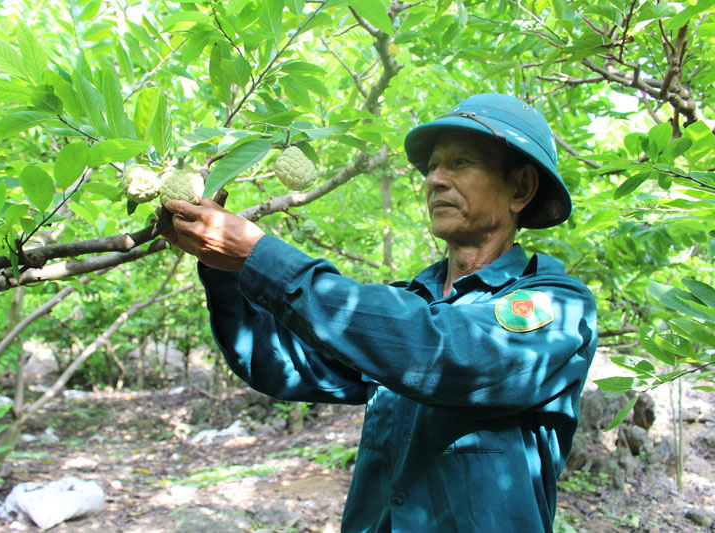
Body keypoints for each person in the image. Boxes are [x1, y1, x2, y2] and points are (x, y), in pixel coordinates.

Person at [161, 93, 597, 532]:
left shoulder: (556, 304)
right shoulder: (408, 303)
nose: (435, 180)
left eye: (461, 162)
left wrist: (262, 255)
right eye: (431, 168)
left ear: (520, 188)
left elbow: (452, 355)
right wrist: (225, 266)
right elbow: (277, 363)